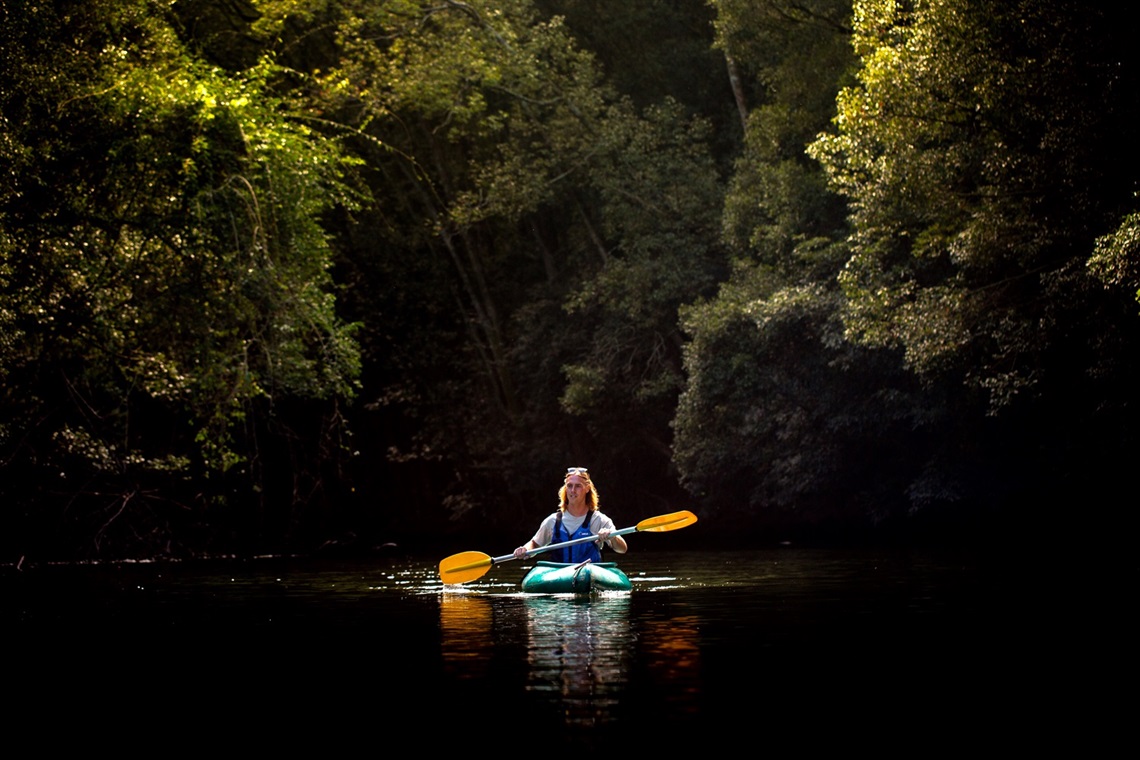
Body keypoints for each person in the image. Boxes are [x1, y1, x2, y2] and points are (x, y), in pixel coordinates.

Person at [513, 467, 628, 563]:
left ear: (587, 489)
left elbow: (622, 549)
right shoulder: (552, 521)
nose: (573, 490)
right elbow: (534, 544)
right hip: (559, 576)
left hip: (589, 573)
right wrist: (524, 549)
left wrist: (612, 537)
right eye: (569, 486)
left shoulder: (599, 520)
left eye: (578, 486)